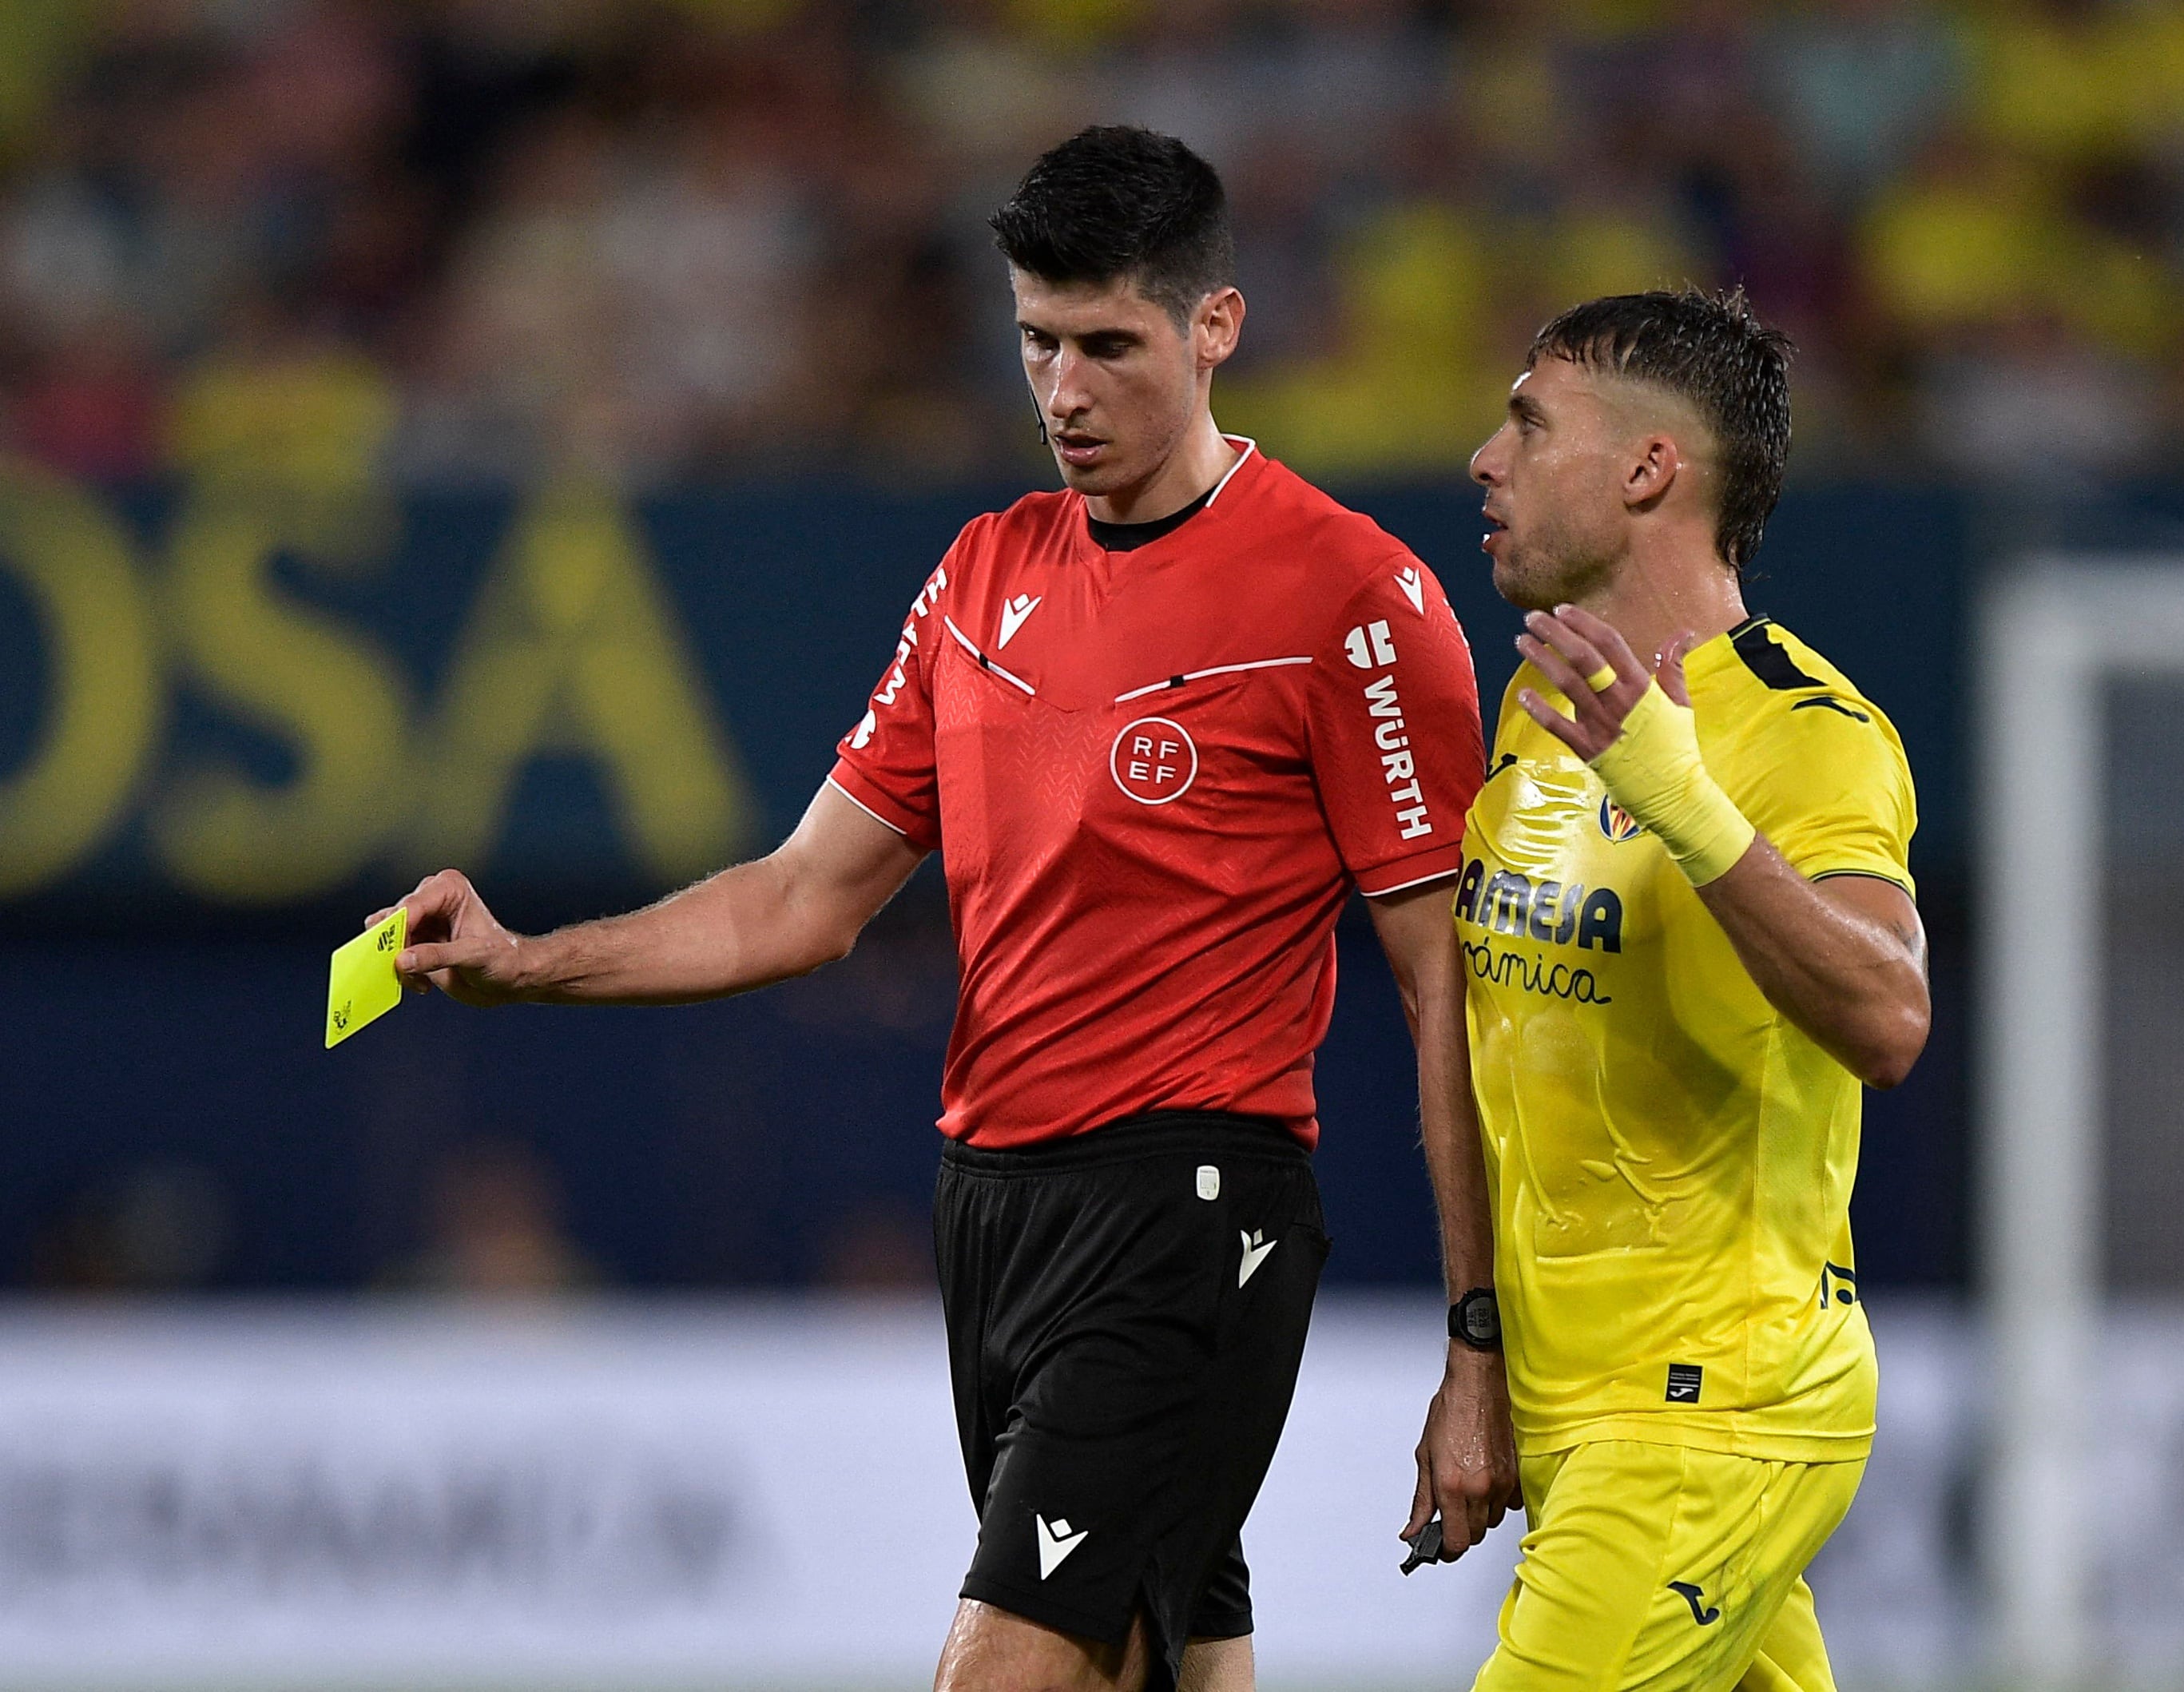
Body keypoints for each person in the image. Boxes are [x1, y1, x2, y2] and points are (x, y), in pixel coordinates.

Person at [372, 126, 1517, 1692]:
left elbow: (1446, 988)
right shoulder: (983, 575)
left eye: (1109, 347)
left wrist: (1478, 1338)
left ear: (1215, 328)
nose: (1063, 394)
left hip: (1191, 1208)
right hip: (991, 1211)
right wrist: (529, 965)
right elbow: (800, 898)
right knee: (1167, 1662)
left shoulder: (1349, 598)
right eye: (1037, 343)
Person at [1452, 288, 1930, 1692]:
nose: (1485, 457)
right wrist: (1479, 1356)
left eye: (1530, 424)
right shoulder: (1541, 707)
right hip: (1583, 1408)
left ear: (1649, 471)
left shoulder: (1806, 731)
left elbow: (1889, 1017)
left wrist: (1681, 800)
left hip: (1708, 1410)